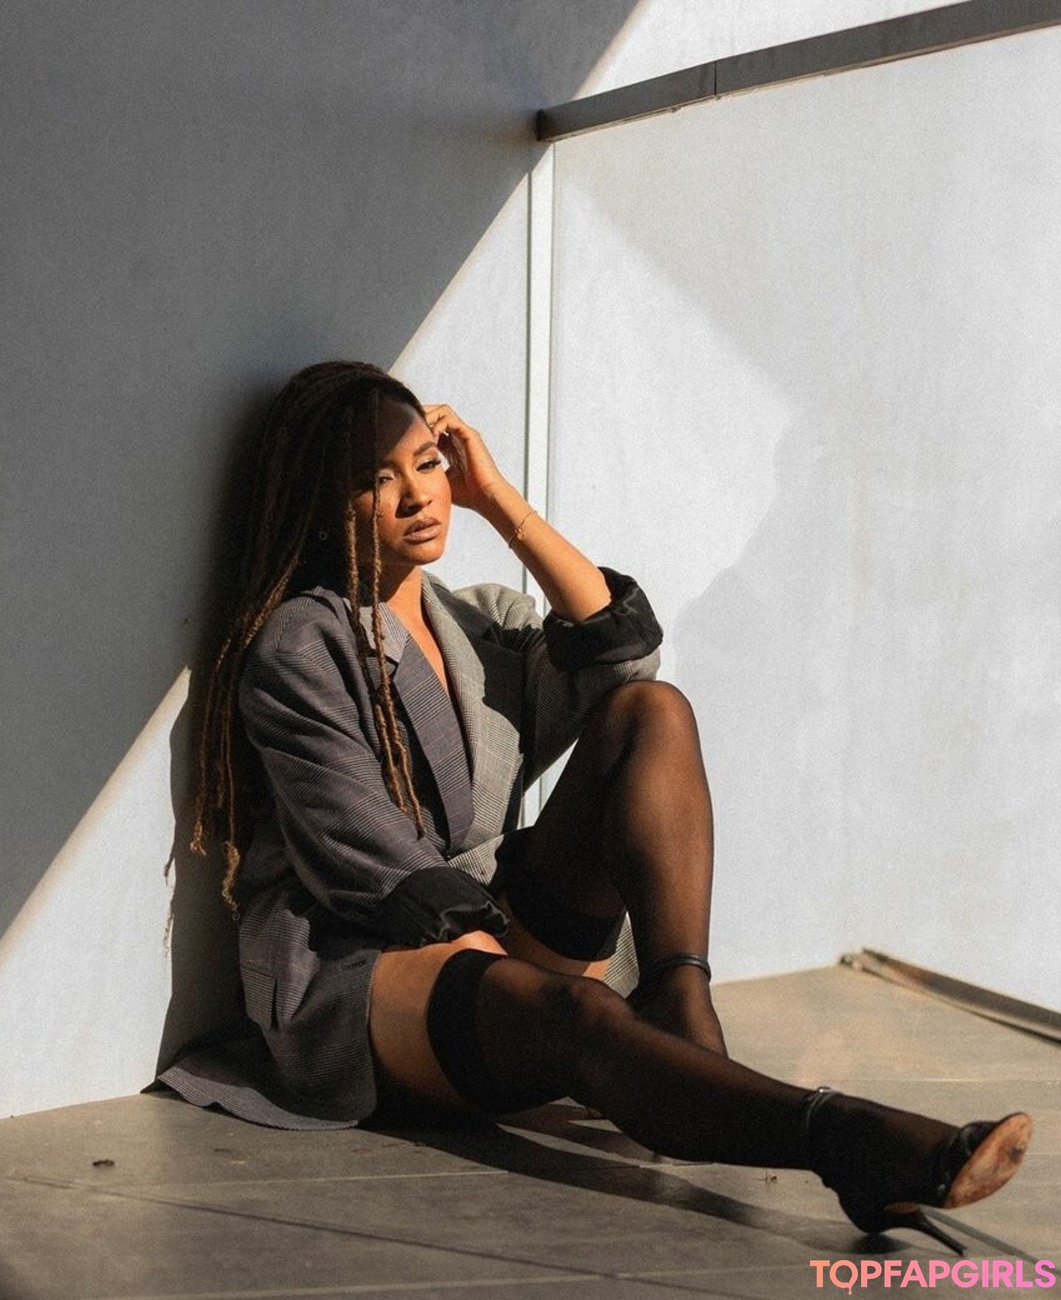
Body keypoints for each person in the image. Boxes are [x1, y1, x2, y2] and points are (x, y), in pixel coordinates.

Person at [166, 360, 1030, 1249]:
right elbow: (359, 848)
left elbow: (623, 659)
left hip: (484, 928)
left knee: (652, 711)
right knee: (580, 1018)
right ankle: (848, 1141)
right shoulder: (301, 641)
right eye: (376, 480)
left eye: (428, 464)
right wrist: (520, 982)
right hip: (360, 962)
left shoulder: (474, 621)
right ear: (323, 505)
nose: (418, 496)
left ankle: (680, 1004)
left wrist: (499, 502)